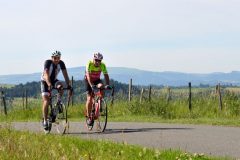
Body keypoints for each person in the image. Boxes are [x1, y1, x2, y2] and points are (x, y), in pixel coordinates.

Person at [41, 51, 72, 131]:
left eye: (58, 58)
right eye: (55, 58)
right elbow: (46, 74)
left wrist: (69, 85)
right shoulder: (47, 62)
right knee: (46, 101)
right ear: (52, 58)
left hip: (54, 80)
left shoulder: (61, 63)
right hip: (45, 81)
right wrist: (48, 84)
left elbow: (65, 74)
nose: (56, 60)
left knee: (61, 87)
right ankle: (45, 120)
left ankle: (58, 104)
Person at [85, 52, 111, 126]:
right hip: (88, 80)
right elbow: (88, 76)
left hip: (97, 80)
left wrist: (108, 84)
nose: (97, 62)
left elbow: (106, 75)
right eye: (96, 60)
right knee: (89, 98)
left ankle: (99, 102)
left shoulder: (102, 65)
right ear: (93, 59)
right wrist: (92, 85)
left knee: (102, 87)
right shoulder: (89, 64)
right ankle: (88, 117)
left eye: (99, 60)